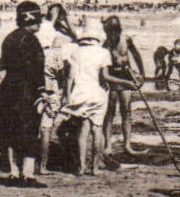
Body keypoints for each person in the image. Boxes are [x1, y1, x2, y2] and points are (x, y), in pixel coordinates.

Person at [0, 0, 47, 184]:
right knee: (30, 130)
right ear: (30, 20)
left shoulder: (9, 38)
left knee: (9, 131)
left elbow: (1, 64)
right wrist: (42, 91)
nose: (40, 24)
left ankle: (13, 173)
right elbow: (35, 68)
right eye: (37, 20)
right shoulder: (31, 40)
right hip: (25, 89)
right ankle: (28, 174)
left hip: (7, 88)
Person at [61, 16, 127, 176]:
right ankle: (95, 168)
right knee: (97, 130)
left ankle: (81, 166)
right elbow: (105, 77)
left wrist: (67, 96)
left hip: (81, 93)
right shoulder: (103, 53)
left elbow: (70, 77)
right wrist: (126, 82)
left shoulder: (76, 51)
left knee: (83, 131)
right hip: (98, 94)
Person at [35, 3, 76, 167]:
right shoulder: (56, 52)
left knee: (37, 125)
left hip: (38, 85)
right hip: (52, 89)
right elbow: (66, 75)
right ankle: (43, 164)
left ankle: (34, 163)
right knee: (46, 126)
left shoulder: (38, 47)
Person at [101, 15, 147, 157]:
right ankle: (108, 145)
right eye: (110, 32)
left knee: (126, 111)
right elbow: (103, 68)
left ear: (119, 31)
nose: (113, 35)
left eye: (115, 32)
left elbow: (136, 55)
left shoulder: (126, 40)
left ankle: (127, 145)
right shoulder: (106, 44)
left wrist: (142, 73)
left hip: (126, 74)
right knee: (110, 112)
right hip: (113, 78)